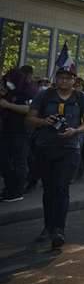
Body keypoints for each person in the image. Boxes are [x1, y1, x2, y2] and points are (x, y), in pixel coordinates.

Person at [26, 67, 84, 248]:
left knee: (62, 188)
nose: (64, 81)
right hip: (45, 148)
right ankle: (48, 227)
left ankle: (58, 230)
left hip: (70, 149)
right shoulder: (44, 96)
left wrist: (75, 130)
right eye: (61, 78)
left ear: (74, 80)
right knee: (48, 190)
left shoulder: (82, 98)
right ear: (56, 79)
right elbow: (30, 118)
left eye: (68, 78)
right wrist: (43, 121)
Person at [0, 66, 36, 202]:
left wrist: (8, 105)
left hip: (21, 130)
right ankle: (10, 186)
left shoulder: (28, 91)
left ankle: (16, 191)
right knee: (5, 160)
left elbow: (29, 109)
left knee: (19, 161)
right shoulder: (9, 91)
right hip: (7, 129)